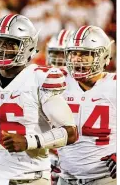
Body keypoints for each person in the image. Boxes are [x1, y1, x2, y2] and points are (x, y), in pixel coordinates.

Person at [0, 14, 78, 185]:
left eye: (9, 43)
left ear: (27, 47)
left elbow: (71, 132)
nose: (1, 48)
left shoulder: (40, 78)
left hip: (30, 177)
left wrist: (29, 141)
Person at [57, 25, 116, 184]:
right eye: (73, 53)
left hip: (104, 179)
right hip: (66, 178)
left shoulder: (114, 86)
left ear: (103, 56)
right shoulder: (58, 81)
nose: (77, 59)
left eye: (85, 54)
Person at [46, 29, 73, 185]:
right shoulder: (40, 79)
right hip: (47, 152)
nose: (58, 59)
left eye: (63, 54)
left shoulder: (83, 86)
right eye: (54, 53)